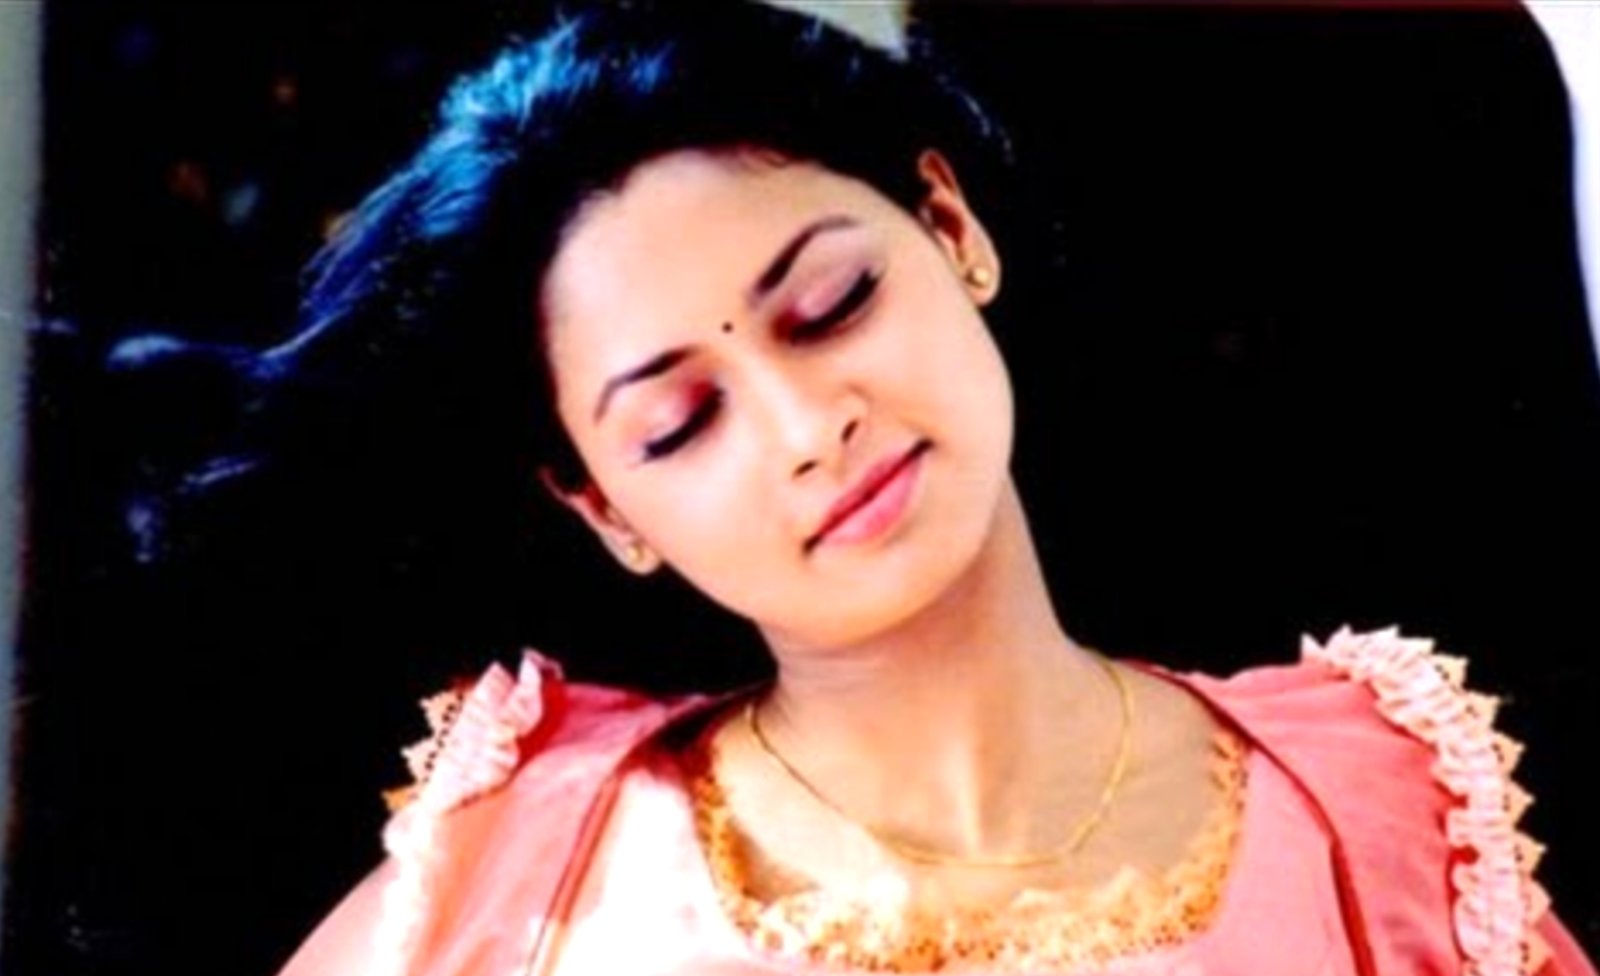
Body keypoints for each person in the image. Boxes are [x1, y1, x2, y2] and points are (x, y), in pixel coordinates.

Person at [266, 2, 1597, 974]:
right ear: (604, 505)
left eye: (832, 302)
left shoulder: (1382, 820)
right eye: (681, 424)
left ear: (953, 231)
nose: (808, 428)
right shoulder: (516, 880)